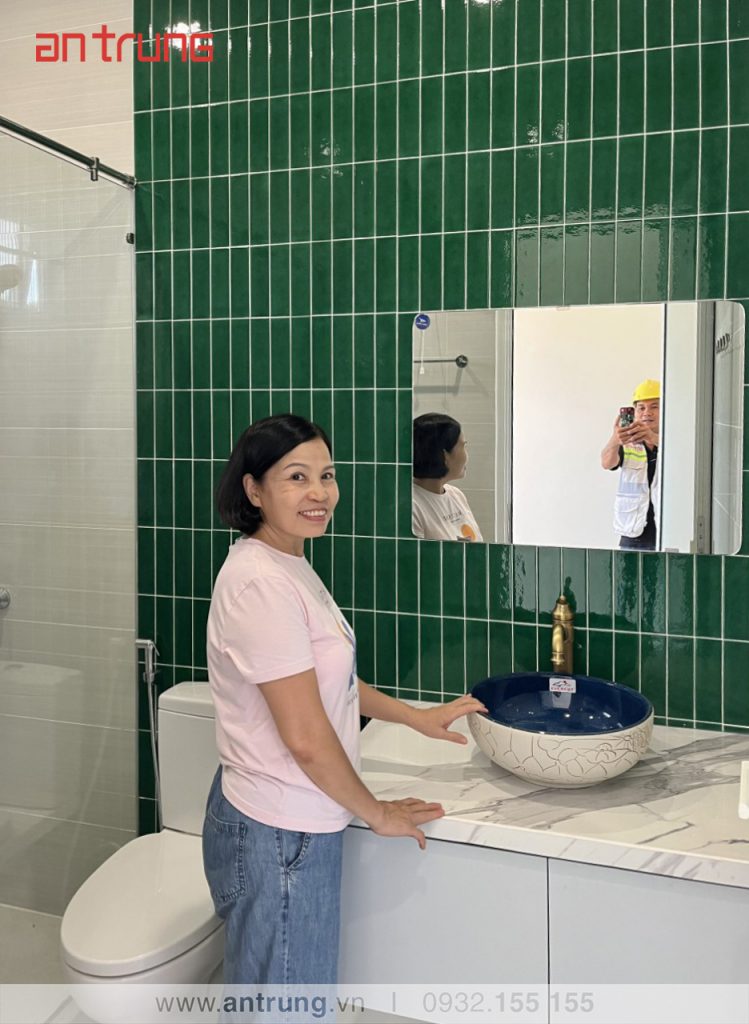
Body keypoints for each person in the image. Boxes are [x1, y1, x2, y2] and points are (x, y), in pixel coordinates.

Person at [202, 414, 487, 987]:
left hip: (293, 818)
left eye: (326, 476)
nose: (319, 493)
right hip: (278, 832)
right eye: (296, 477)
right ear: (253, 490)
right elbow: (306, 737)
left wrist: (415, 718)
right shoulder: (262, 584)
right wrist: (376, 812)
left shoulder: (288, 562)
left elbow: (329, 683)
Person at [600, 379, 661, 551]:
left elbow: (683, 457)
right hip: (633, 533)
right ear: (634, 412)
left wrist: (653, 438)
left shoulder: (676, 438)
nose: (647, 413)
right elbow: (606, 463)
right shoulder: (627, 442)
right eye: (641, 408)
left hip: (668, 533)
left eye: (654, 407)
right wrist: (615, 439)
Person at [412, 413, 484, 542]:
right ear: (445, 455)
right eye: (463, 446)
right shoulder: (411, 507)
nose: (467, 455)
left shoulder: (456, 495)